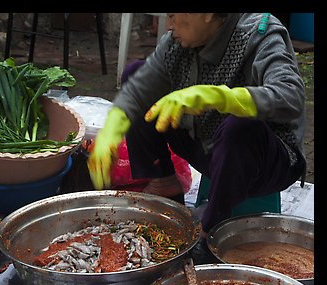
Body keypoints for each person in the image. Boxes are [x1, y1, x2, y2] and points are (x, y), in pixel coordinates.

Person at [88, 13, 306, 263]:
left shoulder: (259, 34)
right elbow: (138, 89)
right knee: (134, 73)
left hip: (265, 161)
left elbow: (290, 96)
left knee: (239, 128)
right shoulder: (176, 42)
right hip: (208, 146)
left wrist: (220, 97)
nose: (169, 25)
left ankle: (208, 229)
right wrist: (111, 130)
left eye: (173, 16)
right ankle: (164, 182)